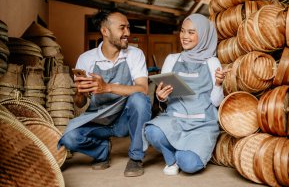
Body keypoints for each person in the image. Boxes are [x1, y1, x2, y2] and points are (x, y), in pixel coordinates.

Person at [58, 9, 151, 177]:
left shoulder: (135, 55)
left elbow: (143, 89)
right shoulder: (86, 59)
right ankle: (102, 151)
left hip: (123, 120)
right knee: (69, 138)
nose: (127, 33)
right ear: (105, 31)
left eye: (128, 28)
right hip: (98, 120)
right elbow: (79, 104)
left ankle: (136, 157)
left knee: (140, 99)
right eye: (122, 28)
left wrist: (107, 87)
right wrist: (80, 93)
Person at [143, 13, 226, 175]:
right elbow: (165, 98)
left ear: (203, 35)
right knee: (152, 131)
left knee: (190, 164)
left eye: (191, 32)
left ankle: (183, 155)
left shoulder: (212, 62)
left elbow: (216, 103)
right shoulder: (172, 59)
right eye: (182, 31)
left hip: (202, 124)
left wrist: (218, 84)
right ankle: (171, 159)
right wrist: (161, 96)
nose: (184, 36)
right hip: (175, 120)